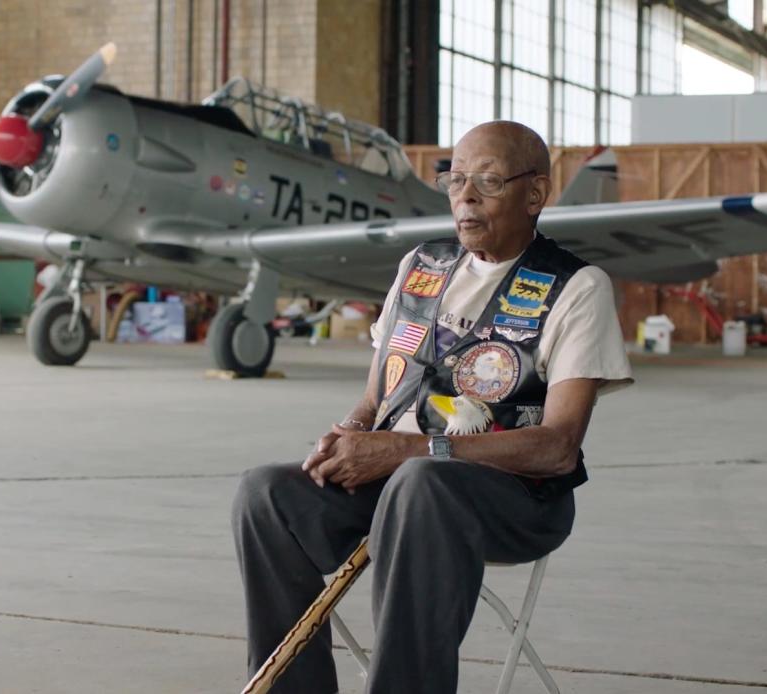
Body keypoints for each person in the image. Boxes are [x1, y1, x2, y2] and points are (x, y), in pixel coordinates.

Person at [231, 121, 633, 693]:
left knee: (423, 481)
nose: (465, 196)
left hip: (510, 498)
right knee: (265, 493)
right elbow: (376, 398)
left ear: (536, 194)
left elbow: (558, 446)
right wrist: (349, 434)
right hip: (396, 482)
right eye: (456, 179)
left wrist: (408, 450)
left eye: (488, 182)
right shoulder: (420, 265)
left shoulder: (576, 287)